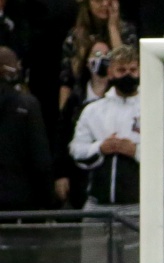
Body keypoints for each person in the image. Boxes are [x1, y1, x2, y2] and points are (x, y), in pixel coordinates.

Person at [56, 44, 141, 263]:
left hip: (138, 207)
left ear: (141, 71)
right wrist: (100, 149)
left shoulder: (154, 106)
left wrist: (137, 150)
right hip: (98, 205)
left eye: (133, 70)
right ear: (111, 72)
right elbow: (75, 149)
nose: (127, 75)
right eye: (121, 70)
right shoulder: (94, 110)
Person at [0, 46, 55, 263]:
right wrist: (48, 210)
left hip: (16, 208)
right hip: (19, 211)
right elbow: (41, 162)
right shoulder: (26, 105)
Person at [54, 40, 110, 210]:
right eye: (96, 55)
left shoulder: (119, 97)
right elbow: (62, 137)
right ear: (87, 61)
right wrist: (60, 174)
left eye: (106, 55)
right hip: (79, 175)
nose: (101, 60)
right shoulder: (75, 98)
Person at [59, 0, 137, 111]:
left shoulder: (127, 31)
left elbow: (124, 66)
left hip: (119, 102)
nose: (105, 4)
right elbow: (67, 81)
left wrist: (113, 27)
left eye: (109, 0)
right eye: (98, 0)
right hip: (83, 102)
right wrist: (63, 114)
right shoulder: (75, 36)